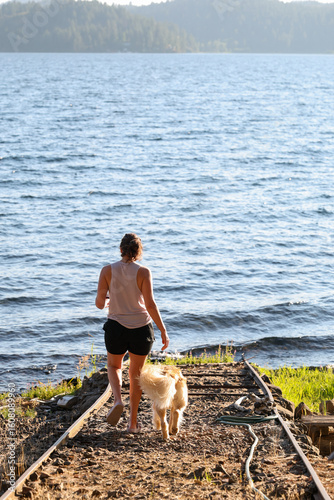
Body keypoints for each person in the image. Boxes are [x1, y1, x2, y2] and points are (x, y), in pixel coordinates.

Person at [95, 233, 169, 433]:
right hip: (141, 328)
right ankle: (132, 424)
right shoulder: (144, 272)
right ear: (138, 252)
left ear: (121, 250)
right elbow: (150, 304)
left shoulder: (107, 271)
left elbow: (99, 304)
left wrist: (108, 297)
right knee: (136, 375)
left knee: (113, 365)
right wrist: (163, 330)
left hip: (116, 327)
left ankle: (118, 400)